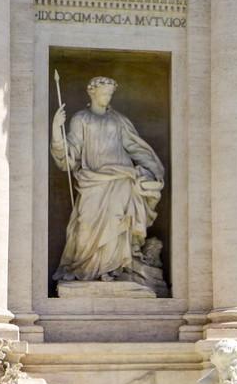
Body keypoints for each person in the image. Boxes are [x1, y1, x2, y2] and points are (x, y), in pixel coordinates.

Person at [50, 76, 166, 292]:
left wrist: (154, 170)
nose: (107, 97)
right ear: (92, 93)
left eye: (110, 94)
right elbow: (69, 155)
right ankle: (87, 269)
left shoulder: (118, 120)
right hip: (93, 181)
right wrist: (57, 130)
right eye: (104, 93)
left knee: (118, 223)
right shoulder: (80, 119)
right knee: (85, 226)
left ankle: (114, 269)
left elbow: (135, 147)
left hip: (121, 179)